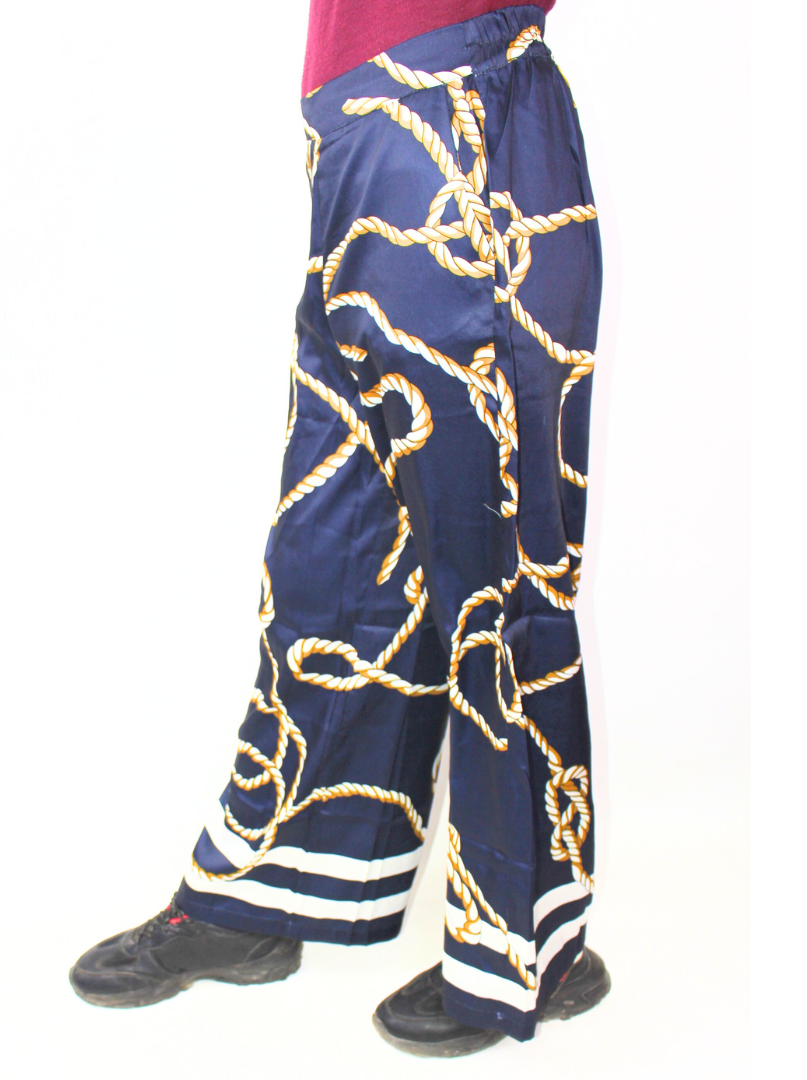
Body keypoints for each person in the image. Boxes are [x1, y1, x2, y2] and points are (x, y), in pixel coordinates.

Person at [69, 0, 610, 1057]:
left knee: (496, 559)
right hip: (358, 134)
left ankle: (528, 946)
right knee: (338, 546)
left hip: (463, 114)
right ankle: (264, 895)